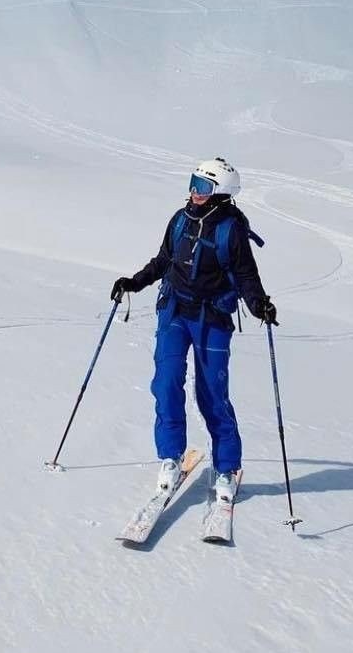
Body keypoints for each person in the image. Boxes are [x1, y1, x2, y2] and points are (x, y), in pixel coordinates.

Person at [112, 157, 277, 505]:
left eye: (202, 186)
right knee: (167, 381)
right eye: (192, 182)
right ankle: (171, 457)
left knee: (212, 394)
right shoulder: (180, 219)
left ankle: (227, 468)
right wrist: (134, 282)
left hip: (211, 319)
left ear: (221, 193)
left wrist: (259, 304)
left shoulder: (230, 230)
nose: (194, 192)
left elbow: (246, 276)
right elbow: (163, 261)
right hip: (173, 310)